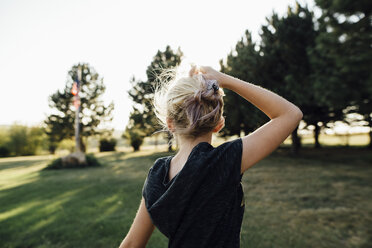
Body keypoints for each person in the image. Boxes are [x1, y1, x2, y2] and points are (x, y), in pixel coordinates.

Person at [119, 65, 303, 248]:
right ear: (219, 124)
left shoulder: (157, 174)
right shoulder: (224, 162)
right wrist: (226, 80)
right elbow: (290, 114)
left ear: (170, 124)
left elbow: (132, 244)